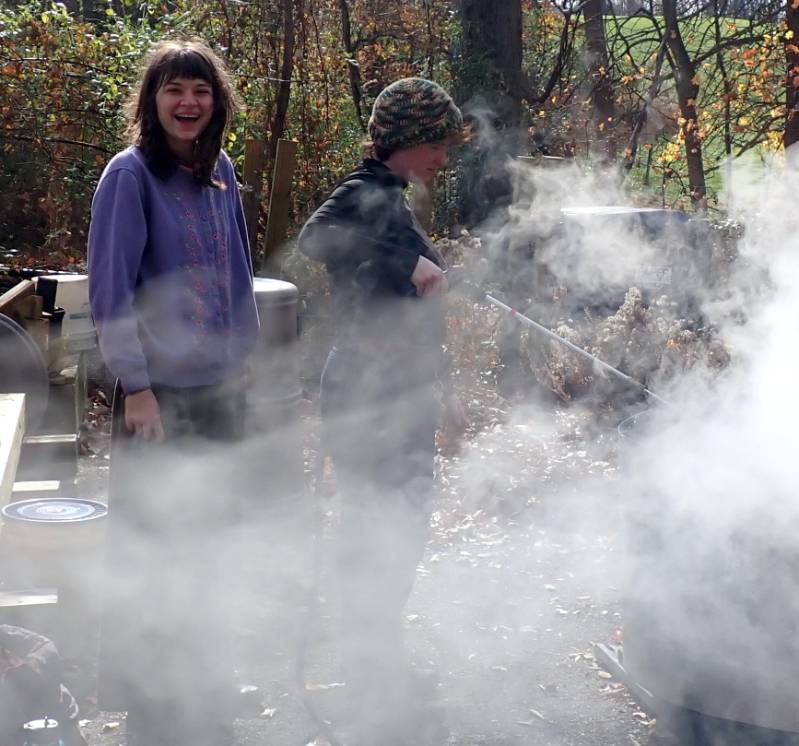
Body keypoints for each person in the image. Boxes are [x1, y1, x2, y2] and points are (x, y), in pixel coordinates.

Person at [87, 39, 259, 746]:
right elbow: (109, 289)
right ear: (152, 103)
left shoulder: (219, 173)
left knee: (212, 543)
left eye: (200, 91)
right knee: (157, 550)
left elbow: (240, 275)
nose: (188, 103)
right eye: (173, 91)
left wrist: (247, 365)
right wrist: (136, 387)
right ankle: (153, 713)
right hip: (158, 400)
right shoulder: (129, 177)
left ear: (216, 102)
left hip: (219, 392)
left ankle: (206, 689)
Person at [298, 76, 465, 744]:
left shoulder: (392, 198)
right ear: (406, 138)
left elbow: (417, 316)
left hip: (400, 394)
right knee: (376, 536)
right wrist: (409, 264)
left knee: (399, 535)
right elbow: (316, 237)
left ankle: (378, 663)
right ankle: (367, 683)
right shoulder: (361, 192)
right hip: (368, 397)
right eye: (437, 144)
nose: (443, 159)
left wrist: (444, 397)